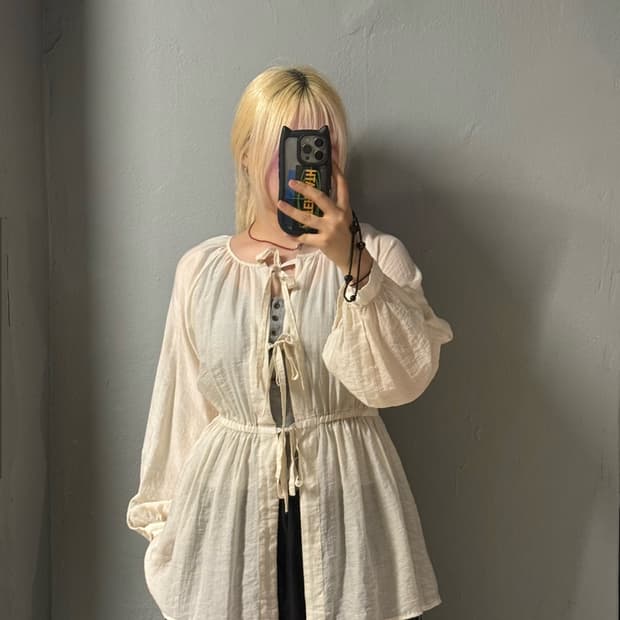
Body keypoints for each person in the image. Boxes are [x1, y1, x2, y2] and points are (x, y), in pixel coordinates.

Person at [126, 64, 454, 620]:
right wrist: (166, 535)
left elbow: (404, 378)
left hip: (349, 513)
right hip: (228, 524)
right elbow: (181, 412)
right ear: (247, 154)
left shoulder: (377, 257)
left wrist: (352, 262)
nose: (307, 162)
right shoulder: (201, 271)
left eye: (322, 144)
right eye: (289, 144)